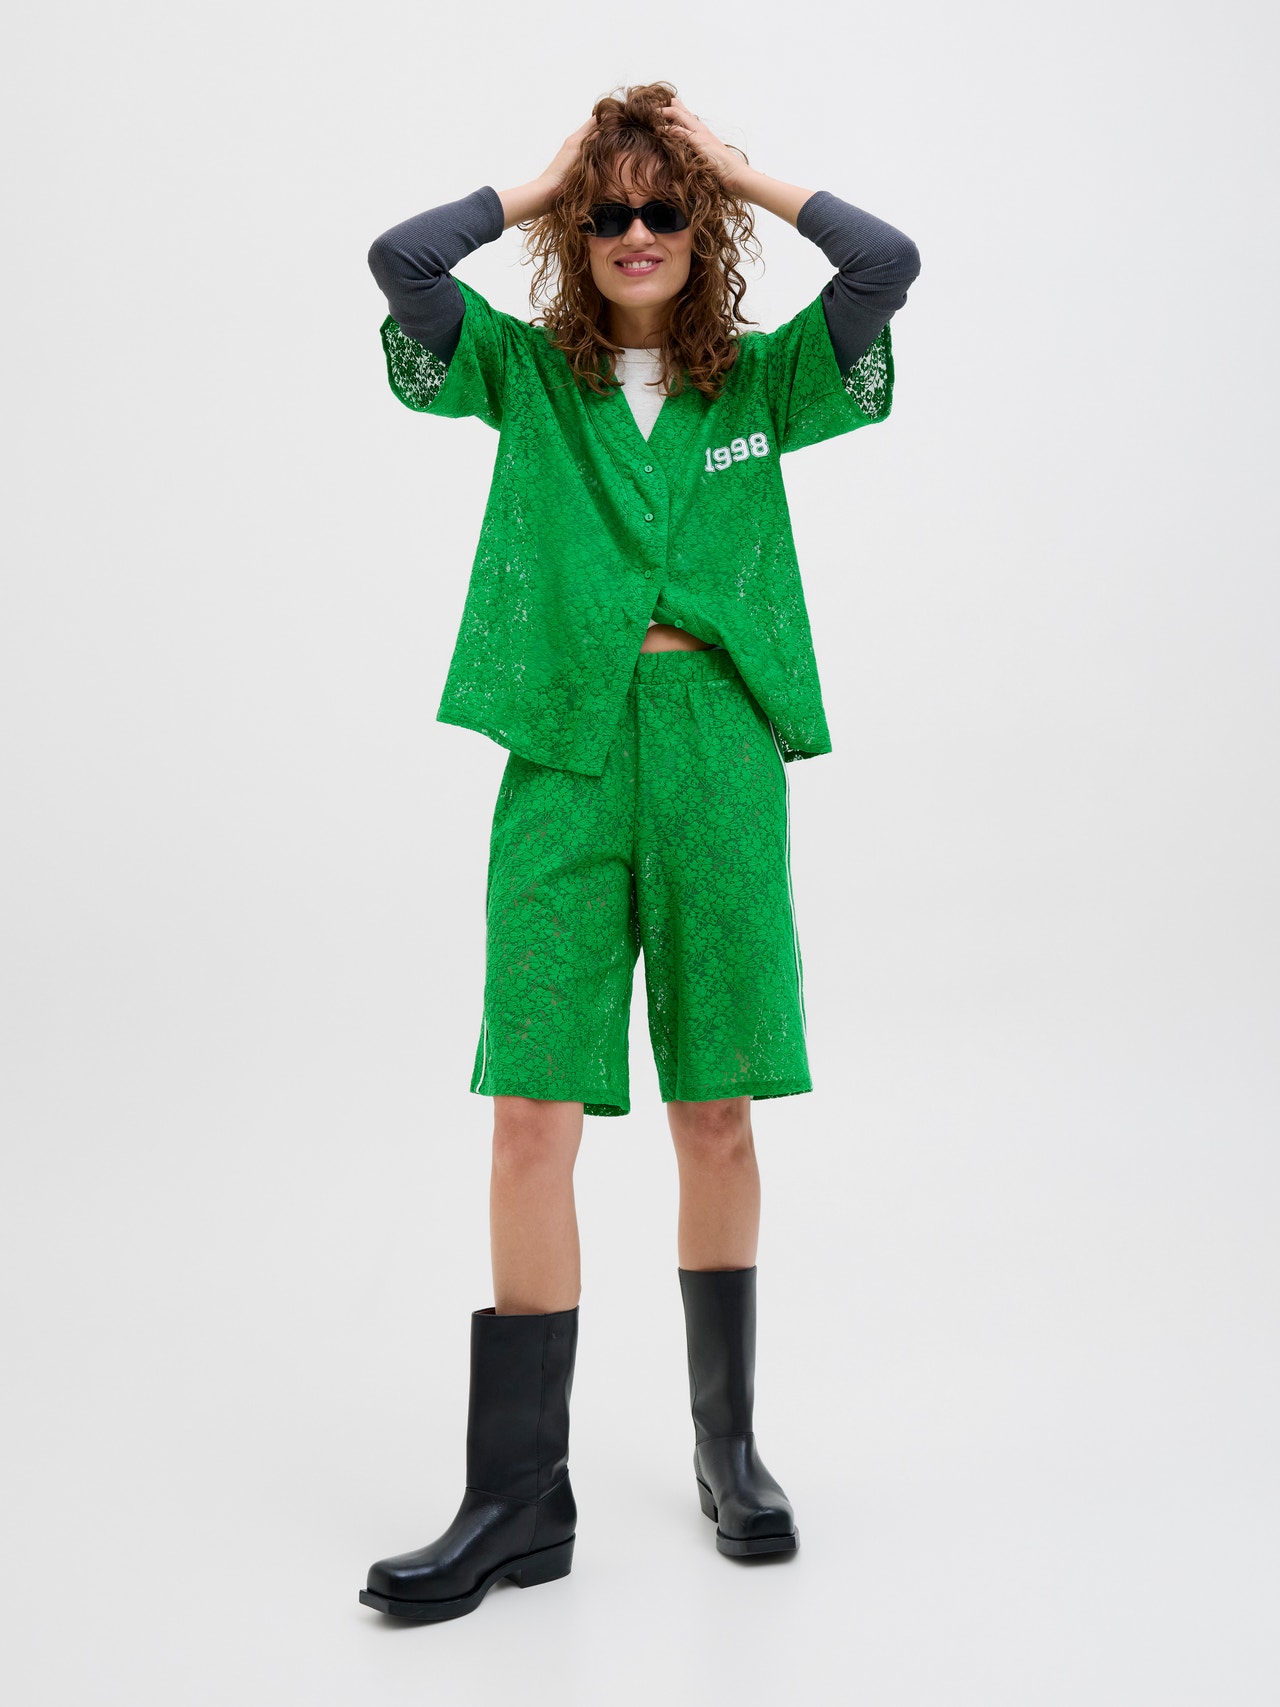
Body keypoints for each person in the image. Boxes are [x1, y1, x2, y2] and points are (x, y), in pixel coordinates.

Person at [359, 82, 921, 1622]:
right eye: (607, 212)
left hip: (716, 755)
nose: (634, 232)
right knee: (529, 1112)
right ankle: (516, 1497)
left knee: (715, 1107)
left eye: (662, 208)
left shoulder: (764, 384)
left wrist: (734, 167)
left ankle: (728, 1448)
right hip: (563, 751)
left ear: (701, 225)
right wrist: (540, 186)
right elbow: (403, 264)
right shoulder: (527, 376)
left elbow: (885, 265)